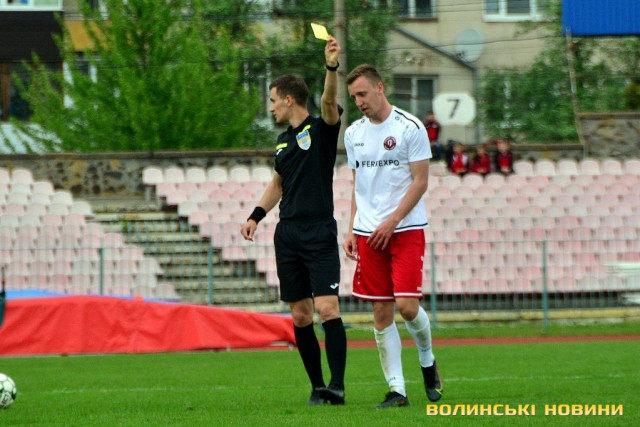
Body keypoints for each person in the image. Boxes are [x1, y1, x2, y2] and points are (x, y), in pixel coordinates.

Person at [240, 35, 347, 406]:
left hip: (319, 232)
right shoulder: (283, 141)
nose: (270, 107)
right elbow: (277, 184)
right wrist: (255, 216)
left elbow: (329, 101)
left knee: (327, 309)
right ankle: (317, 387)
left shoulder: (322, 129)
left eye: (272, 100)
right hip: (287, 235)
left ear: (288, 99)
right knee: (301, 316)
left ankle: (337, 386)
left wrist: (331, 66)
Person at [343, 64, 442, 408]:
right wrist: (352, 228)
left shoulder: (409, 127)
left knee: (407, 307)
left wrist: (393, 221)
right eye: (354, 96)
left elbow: (421, 182)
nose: (358, 101)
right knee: (381, 313)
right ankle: (397, 390)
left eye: (362, 94)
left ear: (380, 88)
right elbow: (358, 186)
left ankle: (427, 360)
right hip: (368, 233)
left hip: (405, 229)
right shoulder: (353, 133)